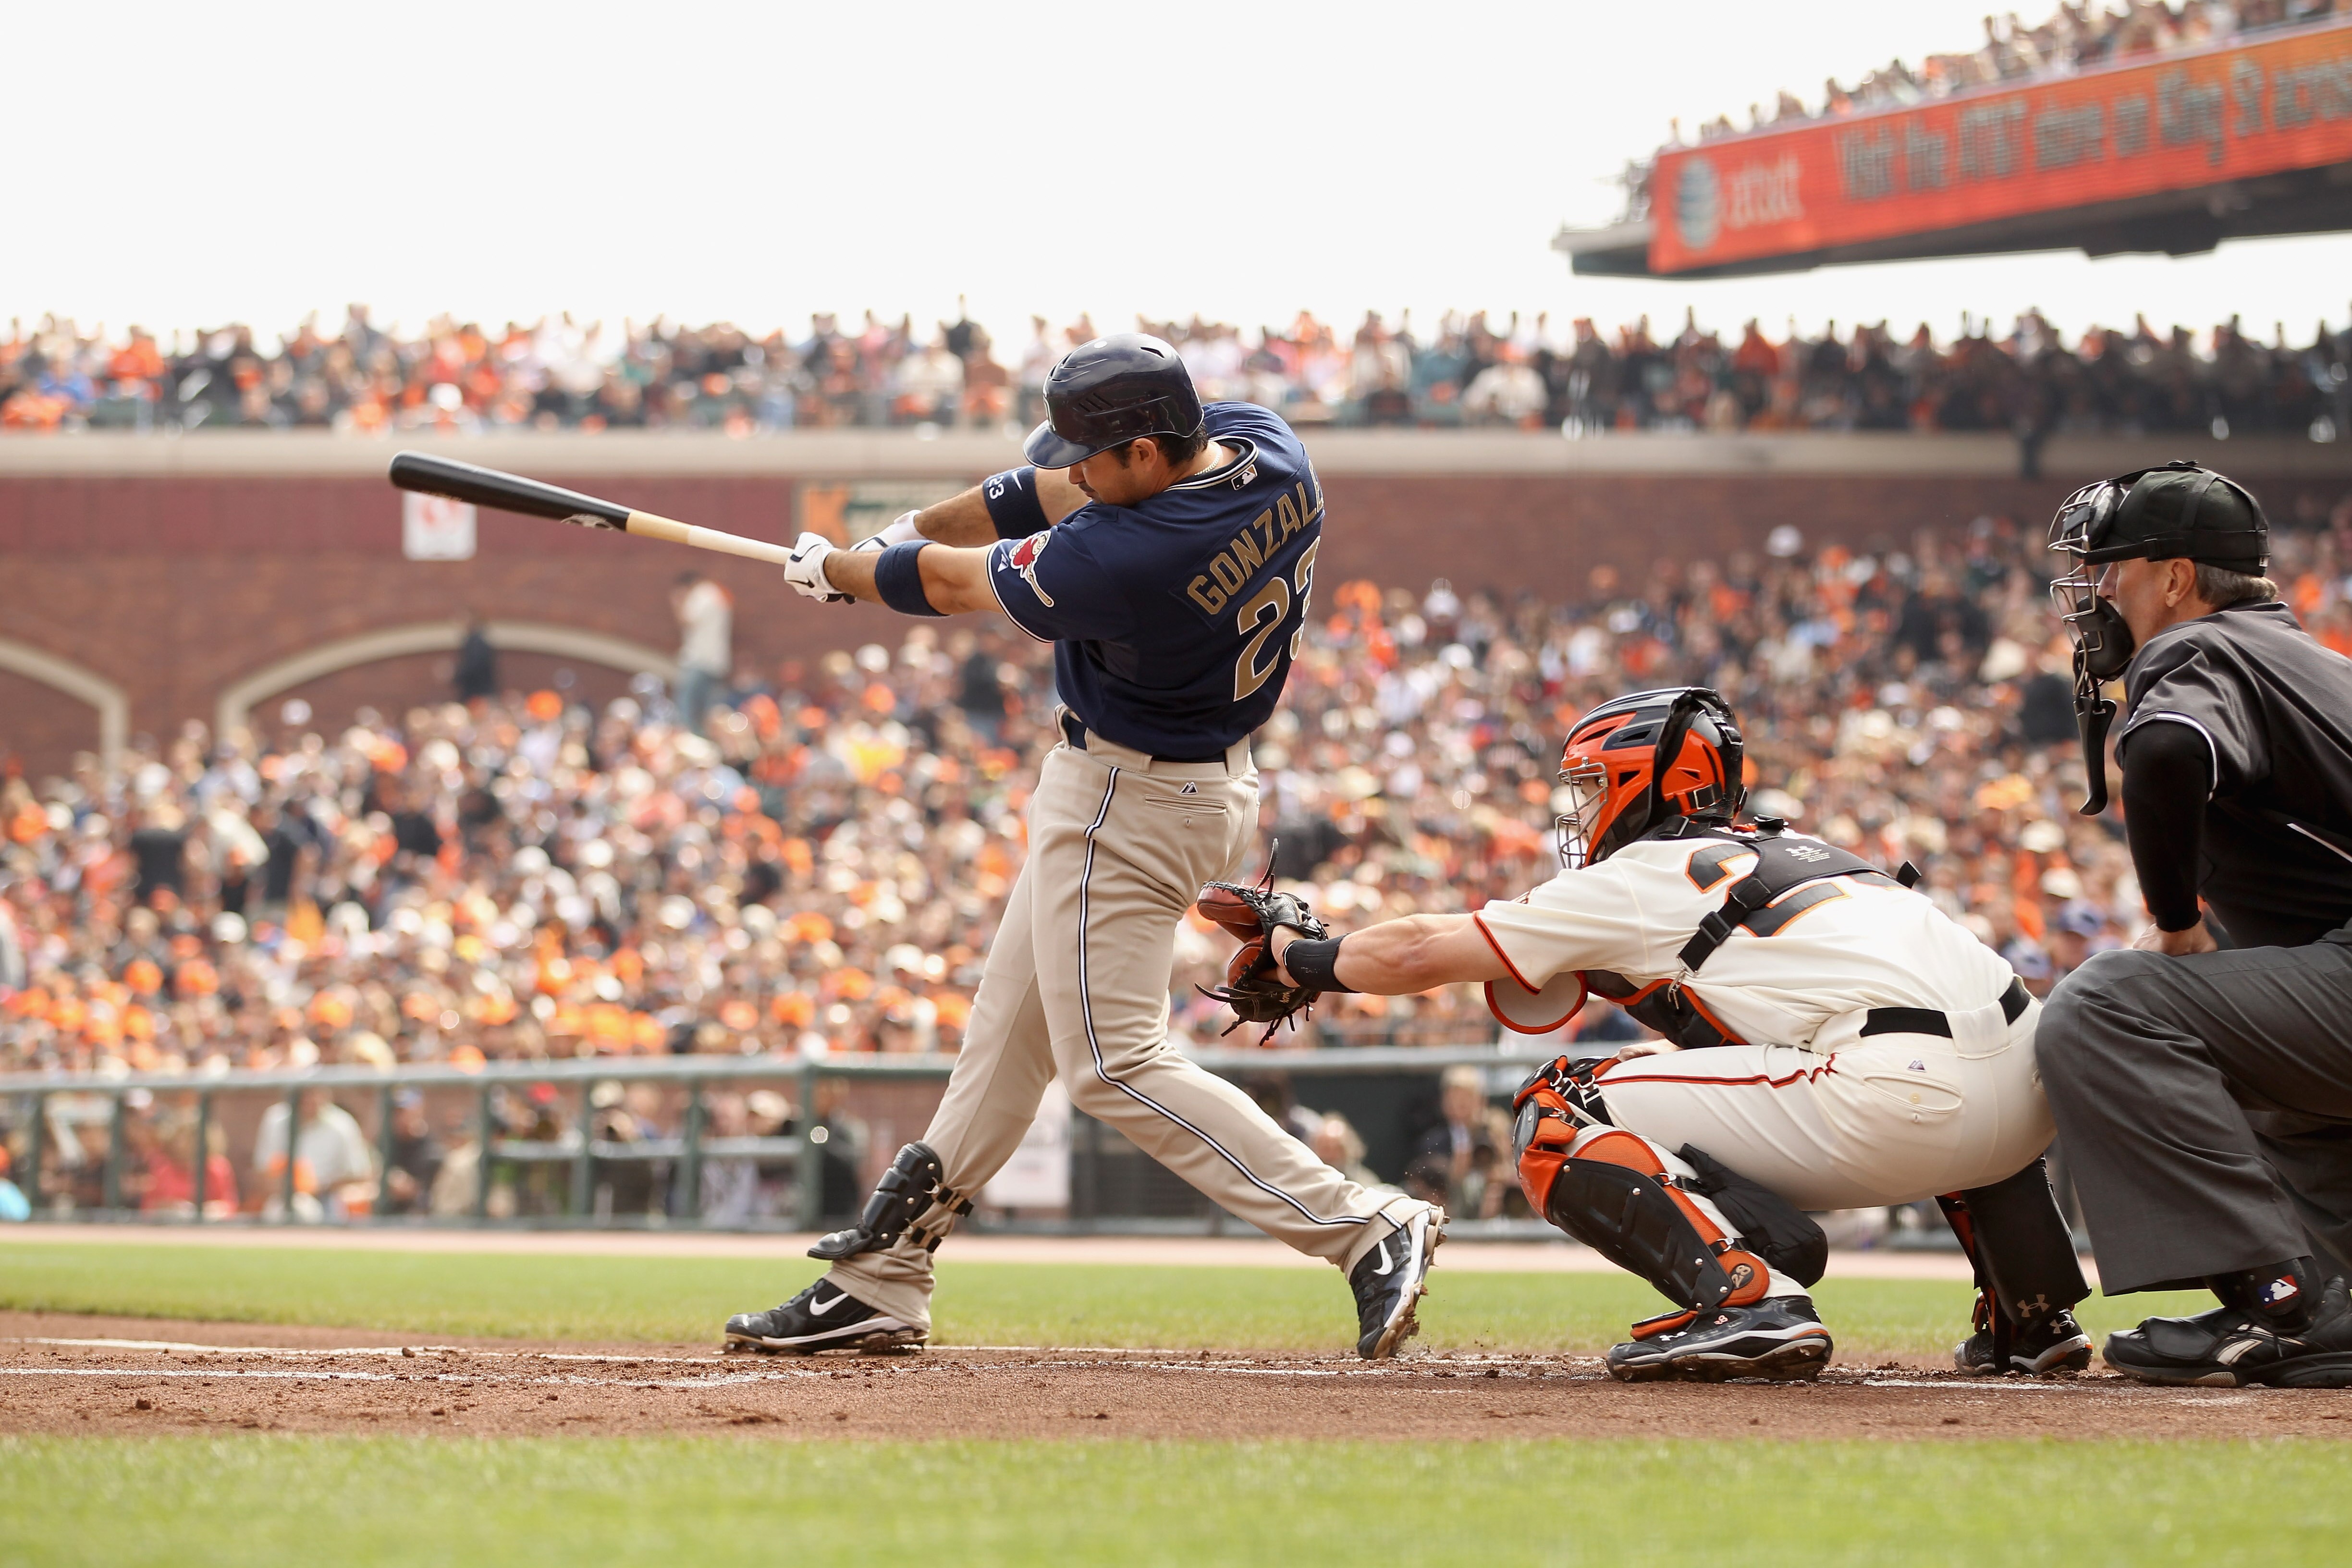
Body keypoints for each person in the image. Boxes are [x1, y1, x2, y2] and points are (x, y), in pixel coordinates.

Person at [723, 334, 1442, 1358]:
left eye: (1096, 458)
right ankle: (879, 1280)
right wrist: (895, 533)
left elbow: (964, 584)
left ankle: (1365, 1226)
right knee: (1006, 1041)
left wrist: (845, 571)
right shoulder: (1267, 446)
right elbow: (1031, 492)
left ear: (1148, 454)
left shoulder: (1133, 556)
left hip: (1129, 799)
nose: (1074, 474)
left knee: (1109, 1064)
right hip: (1184, 780)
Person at [1227, 686, 2087, 1382]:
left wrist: (1302, 955)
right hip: (2030, 1095)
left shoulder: (1644, 872)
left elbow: (1420, 948)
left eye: (1593, 786)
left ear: (1644, 782)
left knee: (1558, 1104)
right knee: (1951, 1044)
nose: (1583, 809)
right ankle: (2030, 1308)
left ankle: (1747, 1297)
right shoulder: (1815, 852)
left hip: (1898, 1095)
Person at [2035, 462, 2352, 1388]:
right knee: (2282, 1092)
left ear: (2174, 577)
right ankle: (2327, 1309)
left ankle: (2276, 1298)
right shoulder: (2311, 658)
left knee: (2107, 1007)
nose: (2097, 591)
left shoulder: (2198, 646)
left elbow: (2171, 748)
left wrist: (2176, 924)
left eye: (2112, 569)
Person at [671, 570, 732, 737]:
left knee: (686, 709)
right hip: (716, 662)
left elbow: (687, 619)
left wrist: (678, 601)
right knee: (707, 711)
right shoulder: (718, 594)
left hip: (699, 660)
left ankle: (689, 740)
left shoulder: (703, 593)